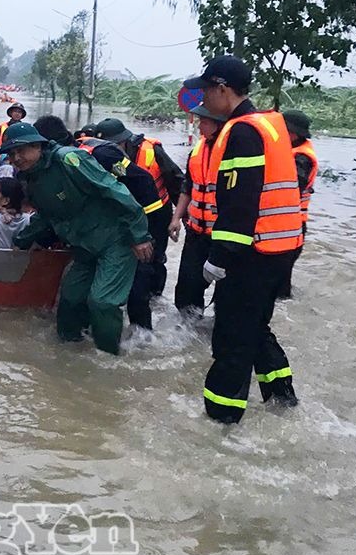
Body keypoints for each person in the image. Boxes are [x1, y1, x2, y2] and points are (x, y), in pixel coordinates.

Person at [184, 55, 303, 423]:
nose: (203, 99)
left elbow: (240, 203)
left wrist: (218, 258)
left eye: (206, 90)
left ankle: (220, 423)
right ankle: (282, 398)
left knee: (231, 339)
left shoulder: (243, 131)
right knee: (254, 327)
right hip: (279, 249)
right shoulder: (269, 125)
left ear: (222, 89)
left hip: (252, 253)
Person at [4, 123, 153, 355]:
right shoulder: (31, 180)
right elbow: (45, 217)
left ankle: (108, 358)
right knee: (70, 300)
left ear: (38, 146)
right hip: (84, 247)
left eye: (21, 151)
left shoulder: (69, 159)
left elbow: (113, 189)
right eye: (11, 154)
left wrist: (140, 234)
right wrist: (22, 240)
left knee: (102, 302)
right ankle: (69, 354)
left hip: (116, 240)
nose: (16, 158)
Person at [37, 114, 163, 332]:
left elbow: (140, 182)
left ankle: (142, 338)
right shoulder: (54, 167)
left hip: (139, 219)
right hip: (102, 232)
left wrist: (142, 234)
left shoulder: (100, 155)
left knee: (137, 284)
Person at [94, 117, 181, 297]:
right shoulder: (103, 156)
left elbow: (176, 181)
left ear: (123, 142)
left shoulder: (152, 150)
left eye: (113, 146)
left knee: (154, 258)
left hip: (158, 211)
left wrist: (178, 218)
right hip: (129, 213)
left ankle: (155, 297)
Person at [169, 104, 227, 315]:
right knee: (186, 286)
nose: (199, 127)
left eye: (203, 122)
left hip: (223, 235)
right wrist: (176, 218)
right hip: (196, 231)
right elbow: (188, 187)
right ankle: (187, 332)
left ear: (218, 124)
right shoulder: (197, 150)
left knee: (226, 292)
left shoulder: (232, 151)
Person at [278, 109, 317, 298]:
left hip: (290, 227)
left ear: (292, 134)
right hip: (288, 227)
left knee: (278, 284)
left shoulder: (301, 158)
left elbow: (289, 189)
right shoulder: (292, 152)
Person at [0, 102, 27, 171]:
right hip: (3, 155)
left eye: (19, 112)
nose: (17, 113)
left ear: (22, 115)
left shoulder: (24, 129)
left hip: (19, 156)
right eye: (15, 111)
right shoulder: (2, 127)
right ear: (11, 113)